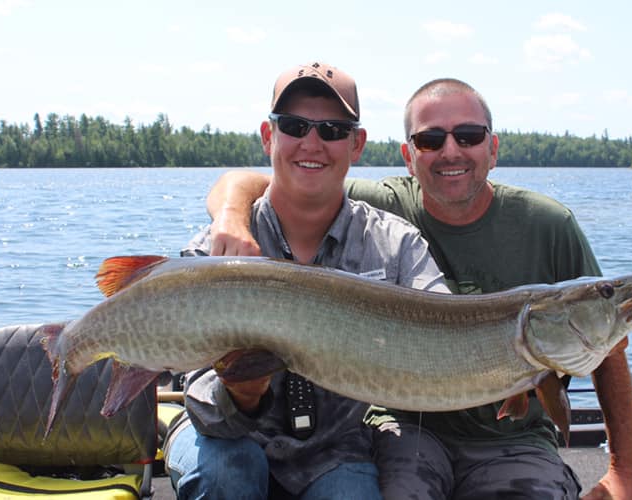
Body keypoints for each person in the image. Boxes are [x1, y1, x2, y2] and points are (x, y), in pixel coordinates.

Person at [202, 79, 632, 500]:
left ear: (493, 148)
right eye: (431, 140)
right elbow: (270, 181)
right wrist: (230, 218)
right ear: (409, 156)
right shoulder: (383, 202)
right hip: (408, 430)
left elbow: (611, 351)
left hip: (512, 440)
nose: (451, 151)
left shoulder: (548, 224)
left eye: (468, 136)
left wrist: (623, 472)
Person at [163, 62, 450, 500]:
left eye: (333, 130)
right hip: (221, 435)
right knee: (226, 474)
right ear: (268, 137)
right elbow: (201, 400)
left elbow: (450, 329)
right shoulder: (222, 244)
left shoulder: (396, 244)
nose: (312, 143)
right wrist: (241, 395)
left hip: (333, 446)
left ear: (356, 144)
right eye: (295, 126)